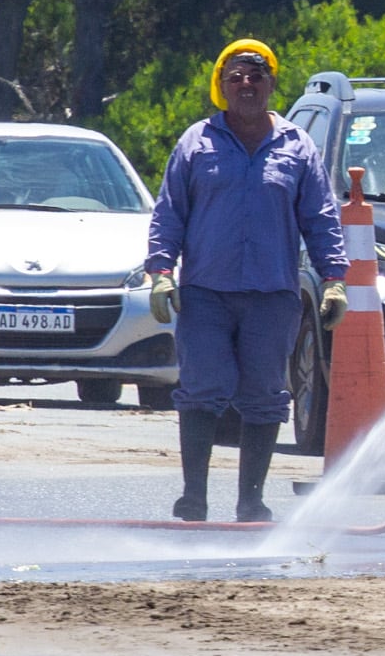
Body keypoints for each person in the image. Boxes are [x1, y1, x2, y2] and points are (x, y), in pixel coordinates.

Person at [144, 38, 346, 523]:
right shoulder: (196, 142)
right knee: (201, 389)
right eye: (235, 77)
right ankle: (194, 498)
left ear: (272, 84)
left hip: (271, 295)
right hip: (205, 294)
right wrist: (160, 272)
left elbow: (321, 217)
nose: (246, 84)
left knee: (264, 396)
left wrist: (334, 279)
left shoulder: (297, 145)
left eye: (256, 75)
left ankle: (251, 501)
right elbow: (169, 213)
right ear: (222, 86)